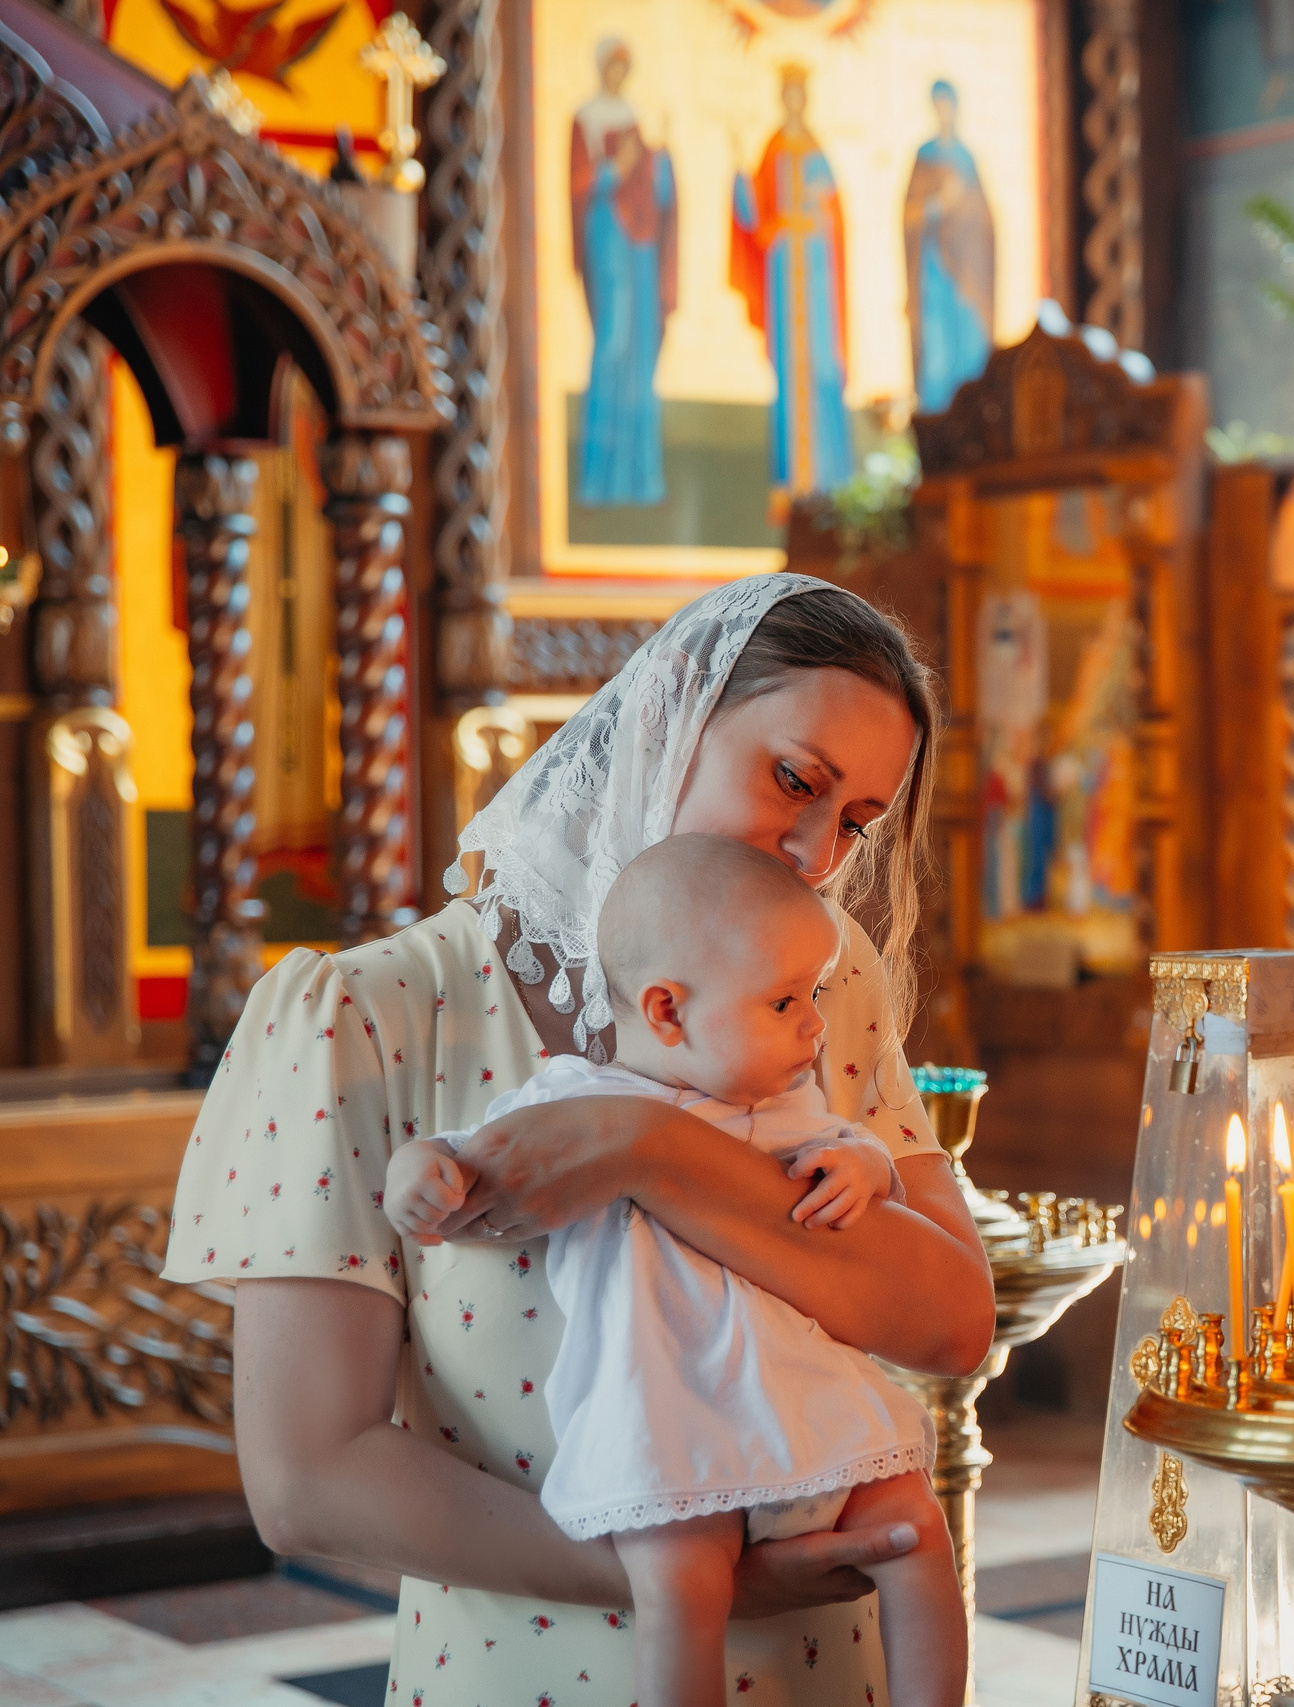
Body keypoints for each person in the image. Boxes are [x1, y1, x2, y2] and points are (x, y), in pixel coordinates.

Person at [164, 575, 996, 1702]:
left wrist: (645, 1151)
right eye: (793, 780)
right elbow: (308, 1480)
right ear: (662, 719)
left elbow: (949, 1322)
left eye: (855, 823)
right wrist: (687, 1578)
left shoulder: (817, 986)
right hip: (519, 1667)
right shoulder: (370, 1015)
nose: (812, 850)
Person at [387, 836, 963, 1707]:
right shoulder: (573, 1101)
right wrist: (419, 1177)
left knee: (916, 1526)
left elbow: (858, 1157)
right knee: (683, 1589)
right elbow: (466, 1156)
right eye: (783, 1001)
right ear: (666, 1011)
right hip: (666, 1417)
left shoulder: (784, 1104)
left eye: (812, 995)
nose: (814, 1022)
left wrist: (866, 1170)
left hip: (801, 1399)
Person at [733, 64, 854, 511]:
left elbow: (837, 219)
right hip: (785, 273)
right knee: (791, 371)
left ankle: (830, 479)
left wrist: (820, 214)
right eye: (788, 93)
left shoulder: (818, 151)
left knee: (821, 366)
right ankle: (790, 480)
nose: (794, 101)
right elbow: (755, 219)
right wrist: (740, 182)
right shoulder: (773, 150)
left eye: (799, 93)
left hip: (816, 274)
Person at [570, 38, 677, 508]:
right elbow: (581, 182)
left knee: (639, 353)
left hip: (640, 245)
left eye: (623, 67)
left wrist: (660, 160)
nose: (617, 74)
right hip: (608, 238)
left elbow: (652, 185)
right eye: (611, 65)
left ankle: (642, 478)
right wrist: (616, 169)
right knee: (612, 344)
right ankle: (600, 481)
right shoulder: (586, 118)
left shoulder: (633, 117)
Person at [904, 79, 996, 415]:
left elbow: (985, 223)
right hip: (934, 270)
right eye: (938, 105)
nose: (944, 112)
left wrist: (963, 204)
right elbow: (910, 213)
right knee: (937, 346)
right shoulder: (924, 157)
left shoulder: (966, 158)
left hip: (967, 275)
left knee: (968, 343)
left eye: (948, 104)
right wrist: (936, 204)